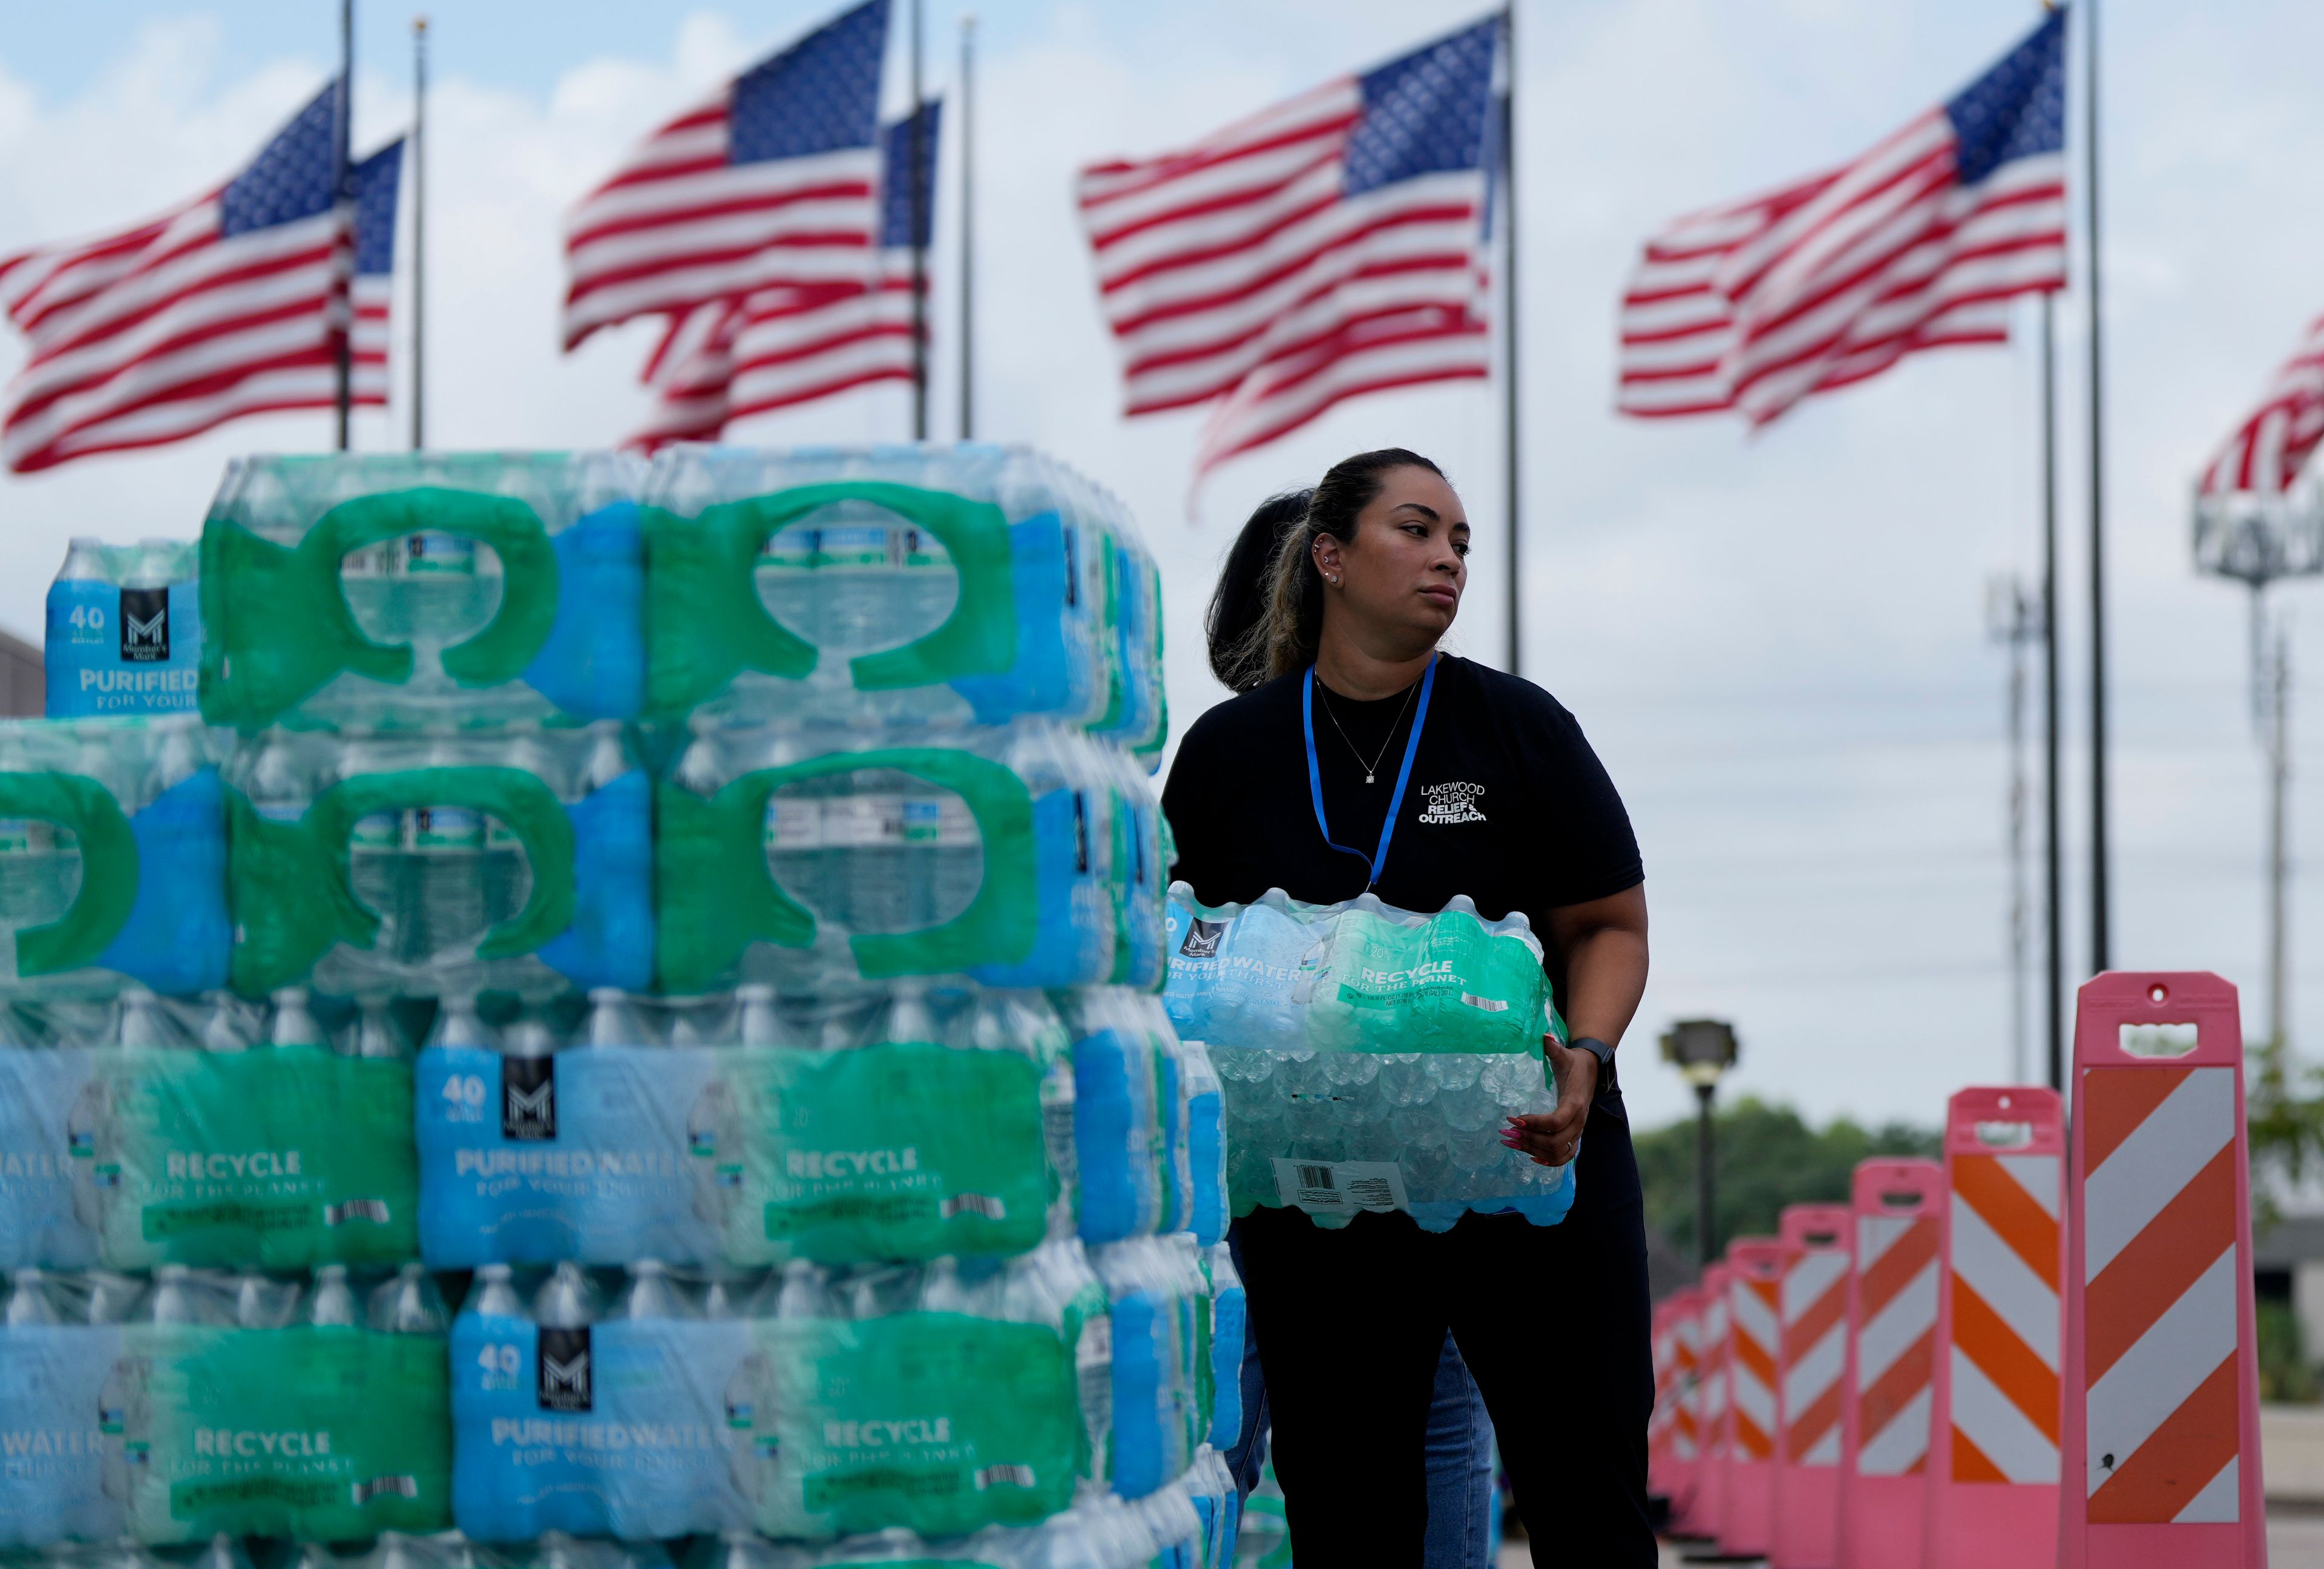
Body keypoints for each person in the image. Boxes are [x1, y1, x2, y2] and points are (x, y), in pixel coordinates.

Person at [1165, 449, 1653, 1566]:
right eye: (1418, 531)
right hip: (1329, 1192)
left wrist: (1587, 1051)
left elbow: (1609, 928)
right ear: (1330, 558)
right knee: (1347, 1506)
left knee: (1587, 1489)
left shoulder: (1519, 729)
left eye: (1462, 543)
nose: (1448, 559)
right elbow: (1186, 957)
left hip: (1529, 1155)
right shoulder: (1230, 753)